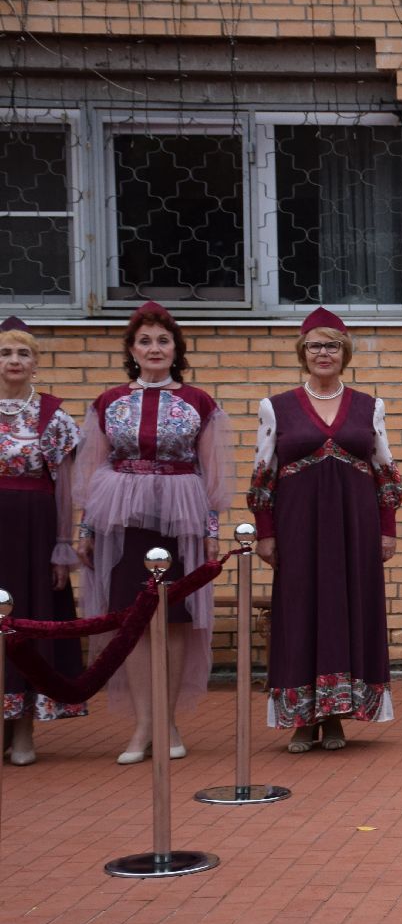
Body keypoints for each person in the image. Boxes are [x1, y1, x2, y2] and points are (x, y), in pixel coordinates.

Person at [76, 301, 231, 765]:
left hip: (180, 516)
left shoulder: (199, 402)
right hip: (121, 519)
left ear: (175, 348)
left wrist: (211, 531)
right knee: (133, 620)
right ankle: (144, 725)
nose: (154, 348)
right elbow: (91, 467)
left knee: (175, 618)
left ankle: (168, 723)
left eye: (163, 340)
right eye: (145, 340)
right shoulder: (108, 402)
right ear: (132, 349)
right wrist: (84, 529)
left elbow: (212, 472)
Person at [249, 308, 400, 752]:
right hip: (299, 529)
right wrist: (265, 530)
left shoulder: (370, 407)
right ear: (303, 351)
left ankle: (336, 716)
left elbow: (384, 470)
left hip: (356, 527)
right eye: (315, 345)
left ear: (345, 352)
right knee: (300, 613)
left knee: (349, 611)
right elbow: (263, 472)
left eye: (332, 345)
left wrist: (386, 528)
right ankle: (301, 719)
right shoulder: (275, 407)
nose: (323, 353)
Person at [0, 317, 84, 764]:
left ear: (36, 364)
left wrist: (61, 544)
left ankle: (23, 733)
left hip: (32, 532)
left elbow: (67, 487)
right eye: (6, 353)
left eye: (23, 353)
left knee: (26, 624)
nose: (14, 360)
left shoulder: (52, 415)